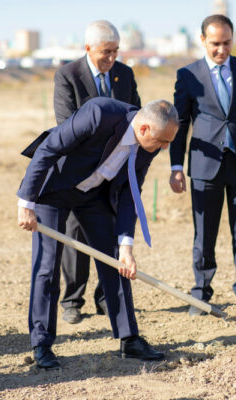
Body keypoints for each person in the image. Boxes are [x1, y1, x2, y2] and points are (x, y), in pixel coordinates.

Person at [17, 98, 178, 368]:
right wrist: (26, 203)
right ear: (145, 129)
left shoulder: (150, 146)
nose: (165, 148)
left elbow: (130, 195)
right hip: (54, 190)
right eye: (163, 141)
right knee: (47, 266)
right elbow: (48, 149)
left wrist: (126, 247)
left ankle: (129, 339)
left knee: (116, 261)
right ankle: (42, 343)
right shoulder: (99, 113)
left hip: (94, 195)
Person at [169, 14, 236, 316]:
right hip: (205, 165)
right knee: (205, 233)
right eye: (215, 44)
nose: (221, 50)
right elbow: (180, 123)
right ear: (202, 40)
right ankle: (201, 293)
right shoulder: (187, 75)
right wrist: (176, 165)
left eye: (227, 43)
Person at [53, 20, 142, 325]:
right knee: (76, 234)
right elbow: (66, 124)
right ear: (88, 48)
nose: (111, 58)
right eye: (106, 52)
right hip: (80, 171)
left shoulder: (125, 74)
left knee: (109, 232)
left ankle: (106, 297)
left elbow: (136, 115)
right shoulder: (68, 76)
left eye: (116, 51)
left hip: (114, 168)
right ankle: (72, 300)